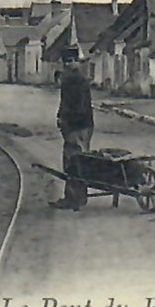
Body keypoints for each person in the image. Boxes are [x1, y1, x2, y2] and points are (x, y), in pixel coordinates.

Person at [52, 64, 95, 210]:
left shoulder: (69, 83)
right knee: (82, 160)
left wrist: (64, 120)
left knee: (72, 162)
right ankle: (81, 196)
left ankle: (72, 198)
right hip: (87, 126)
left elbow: (70, 106)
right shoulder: (82, 81)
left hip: (75, 127)